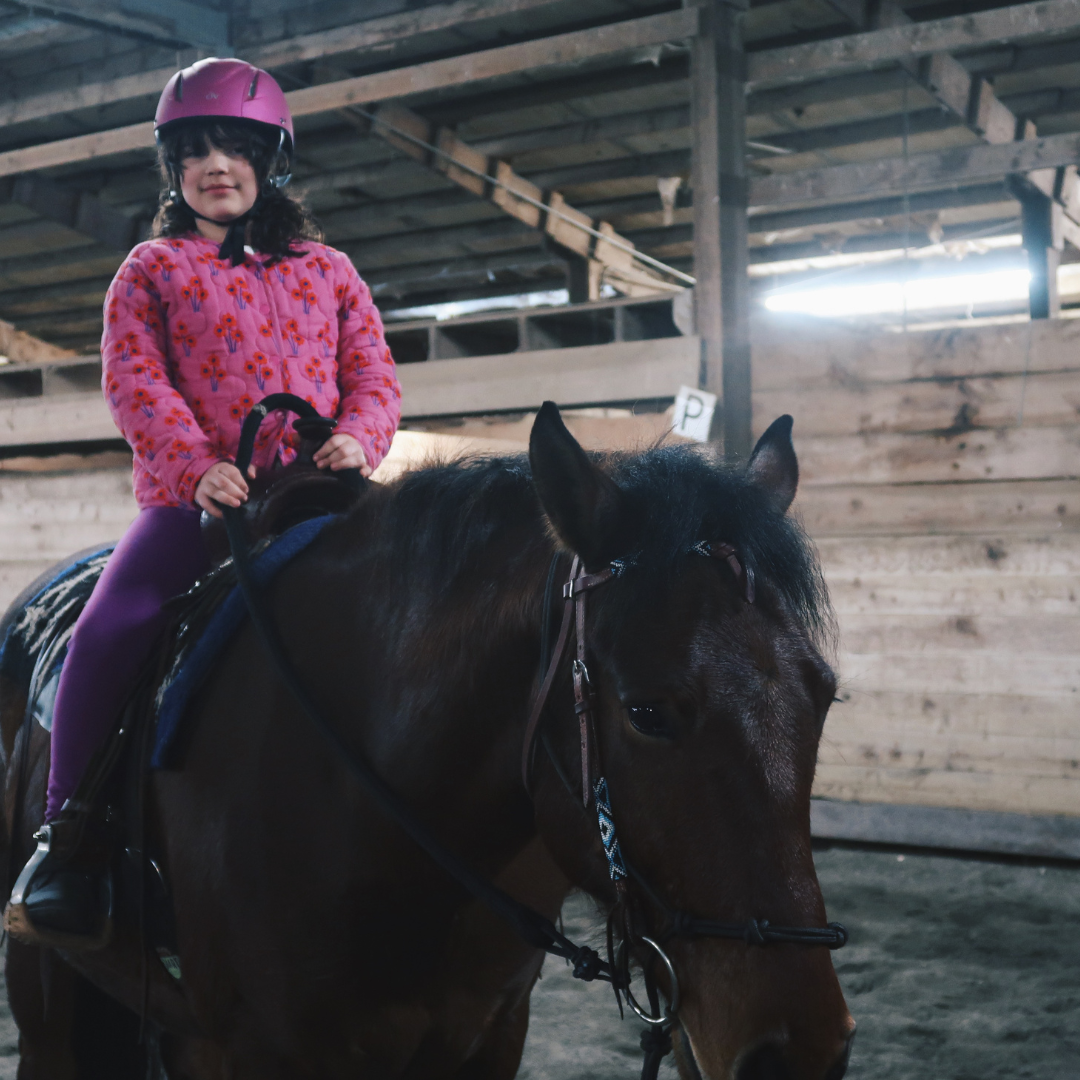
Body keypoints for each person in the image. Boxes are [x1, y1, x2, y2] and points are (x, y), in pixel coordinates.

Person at [5, 57, 401, 948]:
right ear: (173, 170)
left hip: (321, 500)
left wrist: (360, 439)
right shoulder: (150, 268)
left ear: (272, 161)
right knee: (111, 626)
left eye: (236, 148)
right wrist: (193, 468)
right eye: (195, 152)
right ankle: (66, 839)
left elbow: (373, 373)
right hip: (197, 511)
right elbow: (135, 382)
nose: (216, 166)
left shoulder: (330, 271)